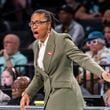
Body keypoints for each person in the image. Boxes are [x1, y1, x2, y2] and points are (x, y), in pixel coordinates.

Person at [20, 9, 110, 110]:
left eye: (38, 22)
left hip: (66, 93)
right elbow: (39, 75)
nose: (34, 26)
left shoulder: (62, 40)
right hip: (50, 94)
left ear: (49, 25)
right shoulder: (36, 45)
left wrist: (102, 73)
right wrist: (28, 93)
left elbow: (82, 58)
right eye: (32, 23)